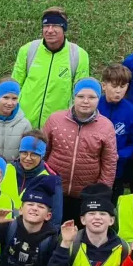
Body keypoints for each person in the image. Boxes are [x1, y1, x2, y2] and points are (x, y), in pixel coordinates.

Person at [44, 78, 118, 221]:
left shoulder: (106, 126)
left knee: (79, 233)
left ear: (98, 99)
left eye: (91, 97)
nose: (85, 101)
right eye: (81, 96)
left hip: (86, 191)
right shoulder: (55, 119)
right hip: (54, 187)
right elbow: (44, 152)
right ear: (74, 97)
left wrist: (100, 191)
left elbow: (109, 162)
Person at [12, 8, 91, 128]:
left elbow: (80, 94)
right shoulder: (28, 50)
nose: (49, 30)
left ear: (64, 28)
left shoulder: (79, 55)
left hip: (58, 127)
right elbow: (15, 85)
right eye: (46, 25)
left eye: (55, 26)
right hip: (24, 123)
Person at [97, 64, 133, 192]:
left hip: (117, 170)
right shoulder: (94, 106)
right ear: (104, 86)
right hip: (91, 167)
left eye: (122, 87)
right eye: (114, 86)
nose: (118, 91)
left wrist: (119, 155)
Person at [4, 132, 64, 226]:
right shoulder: (6, 169)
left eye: (34, 154)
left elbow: (55, 217)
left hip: (31, 234)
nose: (28, 158)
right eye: (24, 153)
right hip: (1, 231)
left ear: (42, 155)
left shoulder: (50, 178)